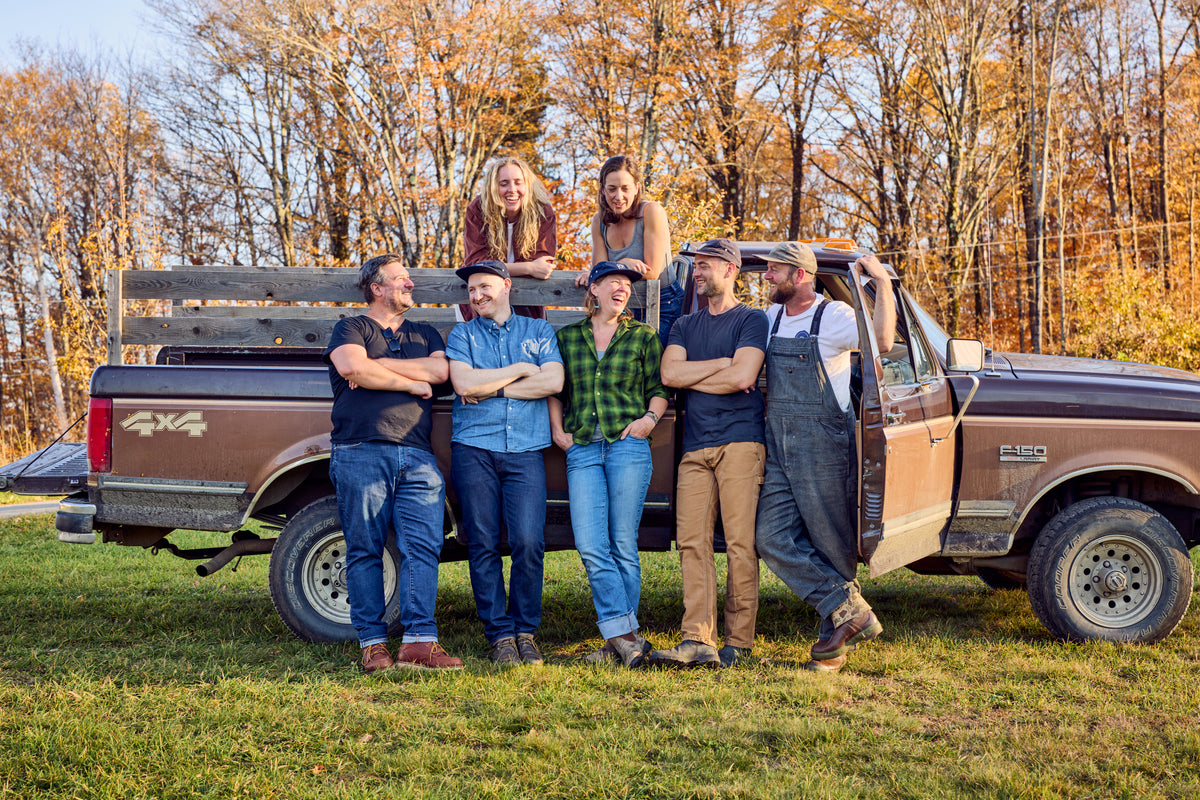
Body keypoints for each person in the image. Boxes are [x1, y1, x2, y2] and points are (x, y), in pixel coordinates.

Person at [754, 242, 896, 673]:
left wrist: (883, 283)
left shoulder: (831, 315)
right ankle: (849, 611)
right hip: (779, 444)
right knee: (770, 537)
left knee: (830, 541)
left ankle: (833, 646)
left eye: (774, 271)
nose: (766, 278)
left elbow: (885, 341)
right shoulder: (770, 317)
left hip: (822, 443)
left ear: (799, 276)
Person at [323, 254, 463, 673]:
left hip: (418, 455)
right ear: (377, 288)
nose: (410, 284)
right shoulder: (351, 327)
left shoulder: (425, 332)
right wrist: (409, 382)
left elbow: (441, 372)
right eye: (401, 279)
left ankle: (421, 641)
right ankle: (373, 643)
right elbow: (351, 367)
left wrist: (378, 366)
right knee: (365, 548)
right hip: (360, 449)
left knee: (423, 547)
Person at [648, 238, 768, 669]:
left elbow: (743, 378)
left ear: (730, 270)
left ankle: (740, 642)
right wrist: (722, 365)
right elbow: (669, 373)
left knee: (739, 544)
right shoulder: (683, 326)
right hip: (695, 447)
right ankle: (698, 639)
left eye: (705, 266)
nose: (697, 273)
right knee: (692, 544)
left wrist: (709, 374)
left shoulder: (752, 320)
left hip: (741, 442)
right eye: (695, 266)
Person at [548, 261, 670, 668]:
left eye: (627, 285)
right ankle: (626, 637)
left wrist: (647, 421)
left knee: (622, 543)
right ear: (594, 290)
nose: (622, 289)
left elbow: (658, 389)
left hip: (627, 446)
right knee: (589, 543)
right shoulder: (568, 338)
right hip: (581, 446)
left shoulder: (644, 337)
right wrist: (557, 431)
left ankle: (618, 640)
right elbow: (555, 389)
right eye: (613, 282)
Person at [446, 260, 565, 666]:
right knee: (482, 542)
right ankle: (499, 635)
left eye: (484, 287)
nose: (476, 296)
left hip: (526, 449)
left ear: (507, 286)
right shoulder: (462, 335)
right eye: (471, 290)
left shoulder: (539, 331)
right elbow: (463, 384)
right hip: (474, 448)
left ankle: (525, 631)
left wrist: (491, 388)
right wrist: (517, 371)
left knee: (529, 542)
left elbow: (553, 382)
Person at [579, 155, 683, 343]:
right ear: (603, 190)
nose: (618, 197)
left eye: (625, 188)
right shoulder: (599, 222)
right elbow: (601, 272)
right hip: (623, 304)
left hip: (663, 303)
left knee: (645, 359)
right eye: (612, 189)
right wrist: (622, 264)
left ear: (636, 188)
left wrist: (616, 266)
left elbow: (651, 272)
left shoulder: (651, 212)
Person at [461, 156, 557, 320]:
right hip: (480, 302)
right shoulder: (477, 209)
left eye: (518, 182)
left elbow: (542, 266)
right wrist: (528, 268)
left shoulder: (543, 211)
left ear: (527, 185)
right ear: (493, 187)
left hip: (526, 304)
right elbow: (476, 264)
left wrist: (533, 269)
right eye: (503, 184)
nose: (512, 189)